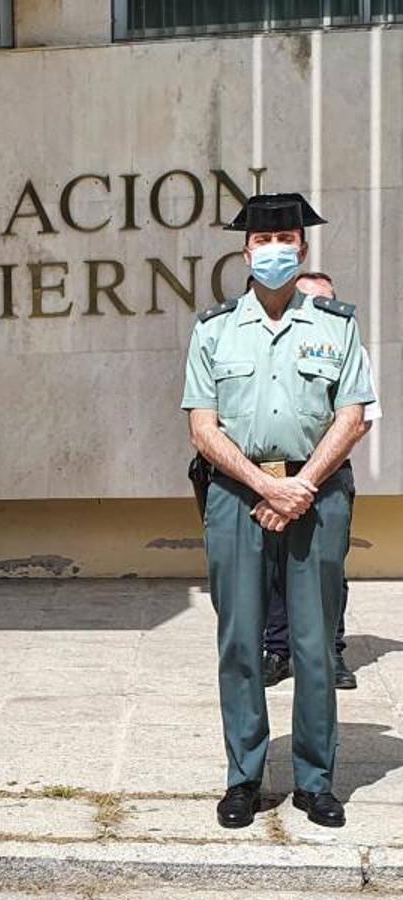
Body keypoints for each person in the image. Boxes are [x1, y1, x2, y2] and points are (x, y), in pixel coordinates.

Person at [183, 193, 374, 830]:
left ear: (302, 248)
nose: (273, 250)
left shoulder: (335, 324)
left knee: (314, 644)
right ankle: (244, 777)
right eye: (262, 242)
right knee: (240, 641)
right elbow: (202, 427)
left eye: (285, 239)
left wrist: (301, 486)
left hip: (317, 497)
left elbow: (352, 417)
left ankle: (316, 781)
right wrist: (265, 489)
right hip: (237, 496)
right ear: (245, 251)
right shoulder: (212, 330)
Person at [262, 271, 380, 692]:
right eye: (306, 298)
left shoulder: (349, 345)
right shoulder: (269, 343)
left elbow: (359, 422)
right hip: (273, 474)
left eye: (323, 299)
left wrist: (310, 476)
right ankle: (278, 650)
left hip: (327, 474)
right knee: (274, 566)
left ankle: (331, 650)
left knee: (328, 570)